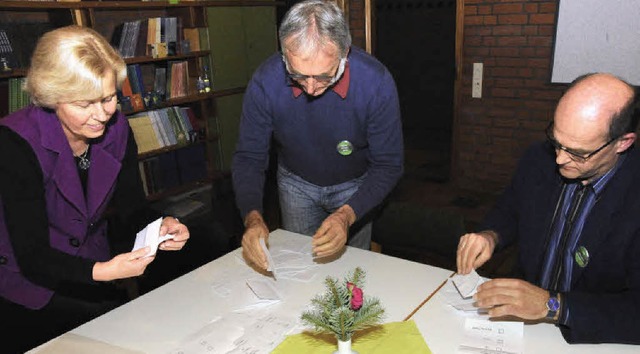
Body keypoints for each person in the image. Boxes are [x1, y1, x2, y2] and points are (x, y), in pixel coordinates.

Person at [0, 25, 190, 353]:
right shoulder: (14, 142)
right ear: (51, 95)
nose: (101, 115)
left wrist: (161, 224)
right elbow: (31, 254)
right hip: (28, 286)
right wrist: (104, 270)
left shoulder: (117, 129)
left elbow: (132, 209)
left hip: (94, 271)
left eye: (108, 97)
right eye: (85, 104)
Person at [456, 72, 640, 344]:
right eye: (556, 140)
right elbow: (510, 209)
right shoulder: (538, 157)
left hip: (591, 335)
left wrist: (554, 306)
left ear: (623, 142)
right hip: (522, 326)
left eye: (578, 152)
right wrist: (491, 236)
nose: (559, 158)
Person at [232, 0, 403, 270]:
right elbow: (249, 157)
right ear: (284, 54)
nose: (311, 88)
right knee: (301, 267)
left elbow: (389, 164)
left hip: (356, 186)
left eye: (324, 76)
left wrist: (346, 216)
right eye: (298, 75)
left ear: (345, 52)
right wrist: (253, 218)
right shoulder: (265, 81)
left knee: (352, 273)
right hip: (295, 183)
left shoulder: (376, 83)